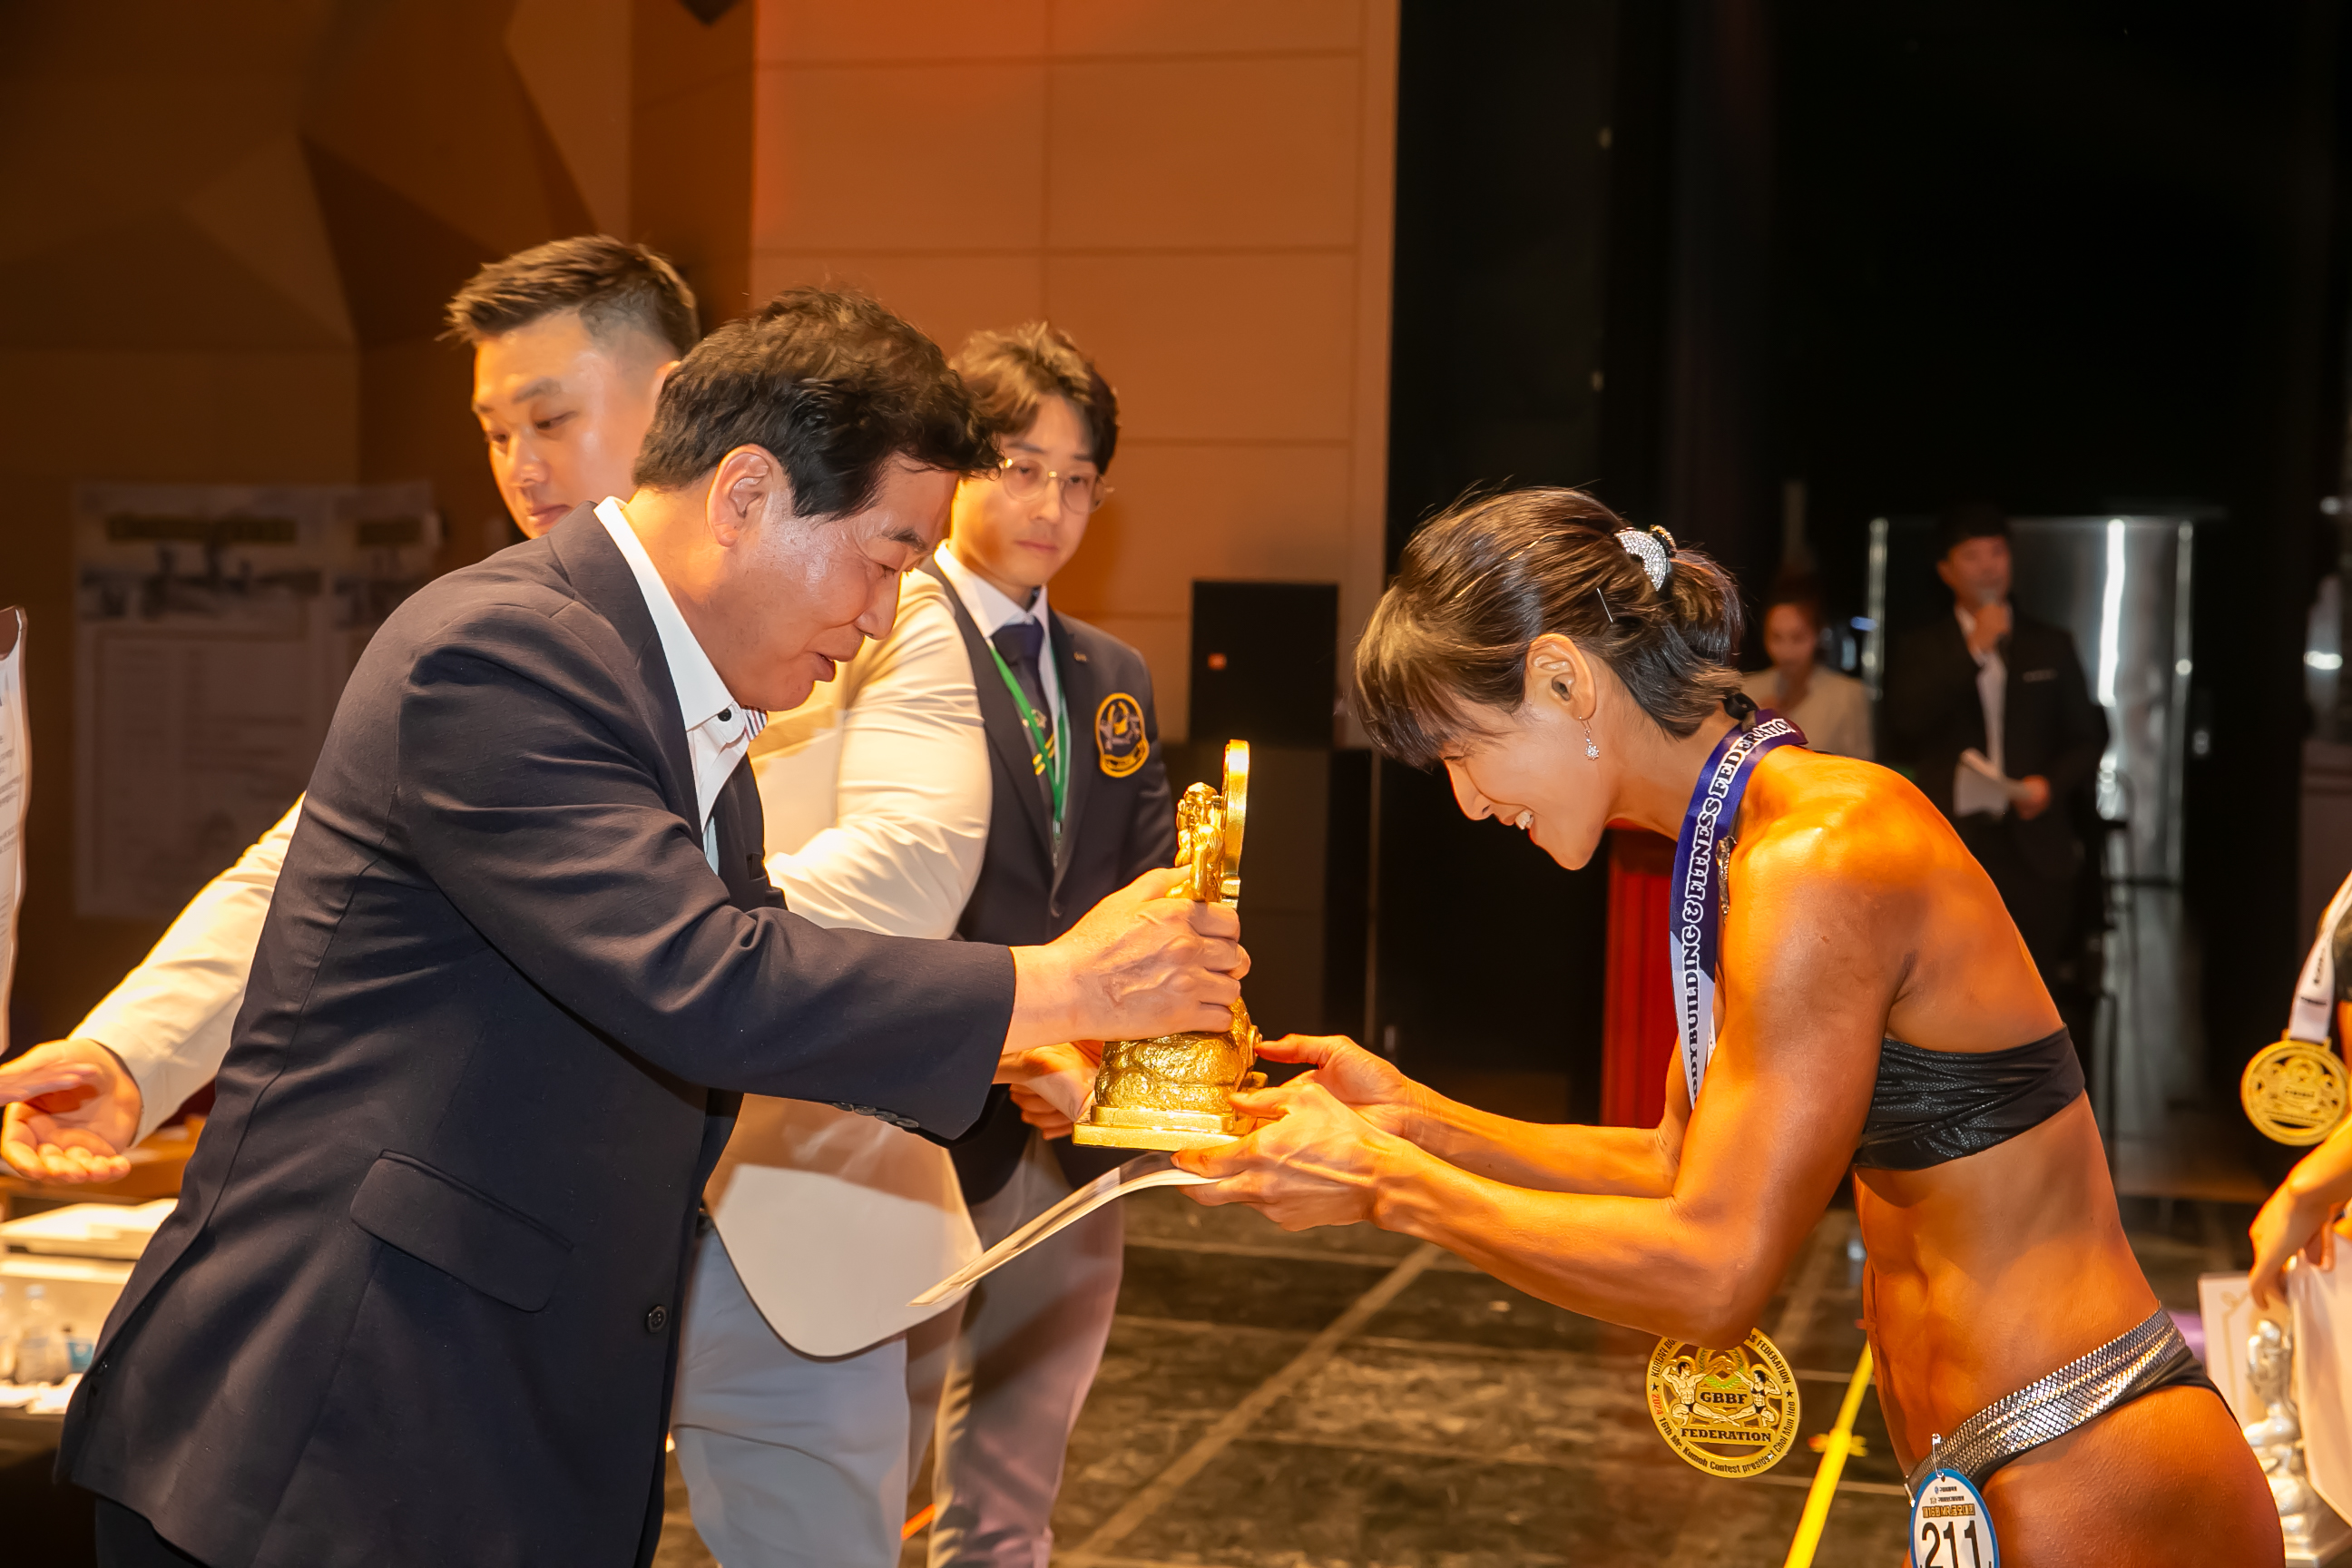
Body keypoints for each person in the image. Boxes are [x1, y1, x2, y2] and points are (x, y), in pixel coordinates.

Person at [46, 287, 1249, 1568]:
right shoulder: (504, 650)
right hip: (338, 1413)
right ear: (746, 495)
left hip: (486, 1396)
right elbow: (703, 974)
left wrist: (1024, 1042)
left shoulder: (680, 689)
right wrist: (1061, 984)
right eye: (888, 560)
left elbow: (740, 957)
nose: (882, 618)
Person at [1178, 488, 2277, 1565]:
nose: (1468, 800)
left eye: (1465, 748)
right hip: (1999, 1466)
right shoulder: (1742, 849)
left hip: (2092, 1458)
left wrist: (1385, 1184)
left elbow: (1715, 1274)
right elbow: (1680, 1169)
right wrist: (1415, 1122)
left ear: (1564, 679)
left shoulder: (1822, 854)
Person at [0, 235, 700, 1180]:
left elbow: (880, 867)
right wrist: (127, 1056)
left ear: (676, 398)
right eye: (497, 434)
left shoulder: (839, 599)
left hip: (787, 1214)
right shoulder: (501, 634)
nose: (521, 468)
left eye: (550, 419)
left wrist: (655, 926)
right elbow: (316, 867)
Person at [918, 323, 1172, 1568]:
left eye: (1079, 480)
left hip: (1078, 1132)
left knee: (1014, 1488)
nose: (1051, 506)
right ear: (955, 467)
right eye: (1020, 468)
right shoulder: (879, 643)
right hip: (911, 1119)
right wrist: (1020, 1040)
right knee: (859, 1471)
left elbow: (1149, 887)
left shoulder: (1110, 673)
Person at [1883, 501, 2108, 1053]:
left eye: (1998, 552)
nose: (1988, 566)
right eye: (1973, 555)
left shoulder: (2049, 643)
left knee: (2035, 995)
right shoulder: (1922, 647)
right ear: (1946, 570)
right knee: (1950, 992)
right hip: (1952, 845)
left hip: (2035, 845)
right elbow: (1904, 724)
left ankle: (2039, 1102)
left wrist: (2050, 784)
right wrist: (1974, 650)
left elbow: (2089, 735)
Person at [1738, 581, 1870, 758]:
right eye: (1776, 637)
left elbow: (1861, 768)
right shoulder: (1747, 692)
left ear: (1818, 634)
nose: (1786, 651)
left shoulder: (1847, 696)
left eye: (1798, 638)